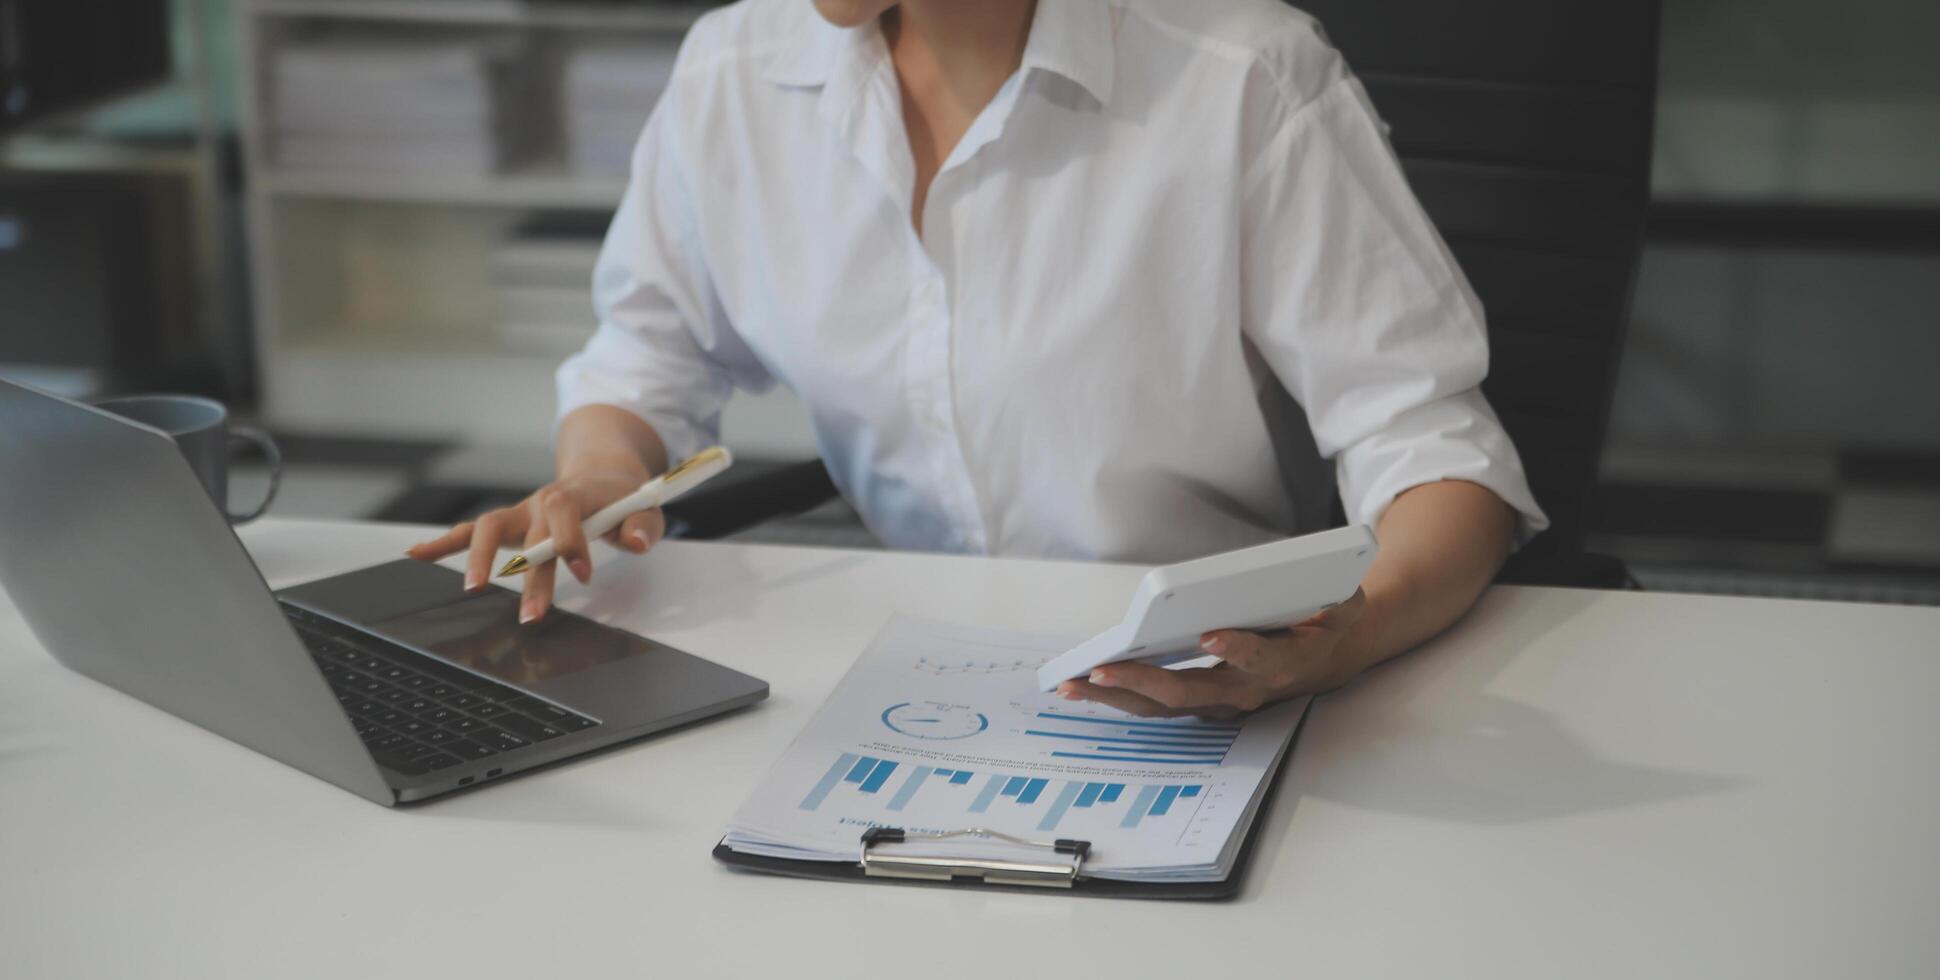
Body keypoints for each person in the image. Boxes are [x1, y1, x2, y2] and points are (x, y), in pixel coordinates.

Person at [409, 0, 1548, 720]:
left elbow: (1435, 450)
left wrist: (1347, 633)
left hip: (1207, 677)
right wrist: (604, 478)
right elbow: (641, 357)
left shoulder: (1240, 75)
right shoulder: (733, 70)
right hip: (902, 671)